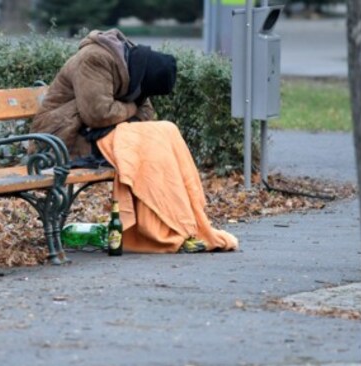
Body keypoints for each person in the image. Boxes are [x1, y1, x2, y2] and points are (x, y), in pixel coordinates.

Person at [31, 29, 238, 254]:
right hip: (60, 139)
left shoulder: (133, 67)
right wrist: (131, 108)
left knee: (165, 132)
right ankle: (161, 226)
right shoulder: (95, 59)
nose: (140, 96)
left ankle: (179, 221)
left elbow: (146, 113)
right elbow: (99, 114)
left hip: (91, 133)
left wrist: (128, 111)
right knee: (145, 141)